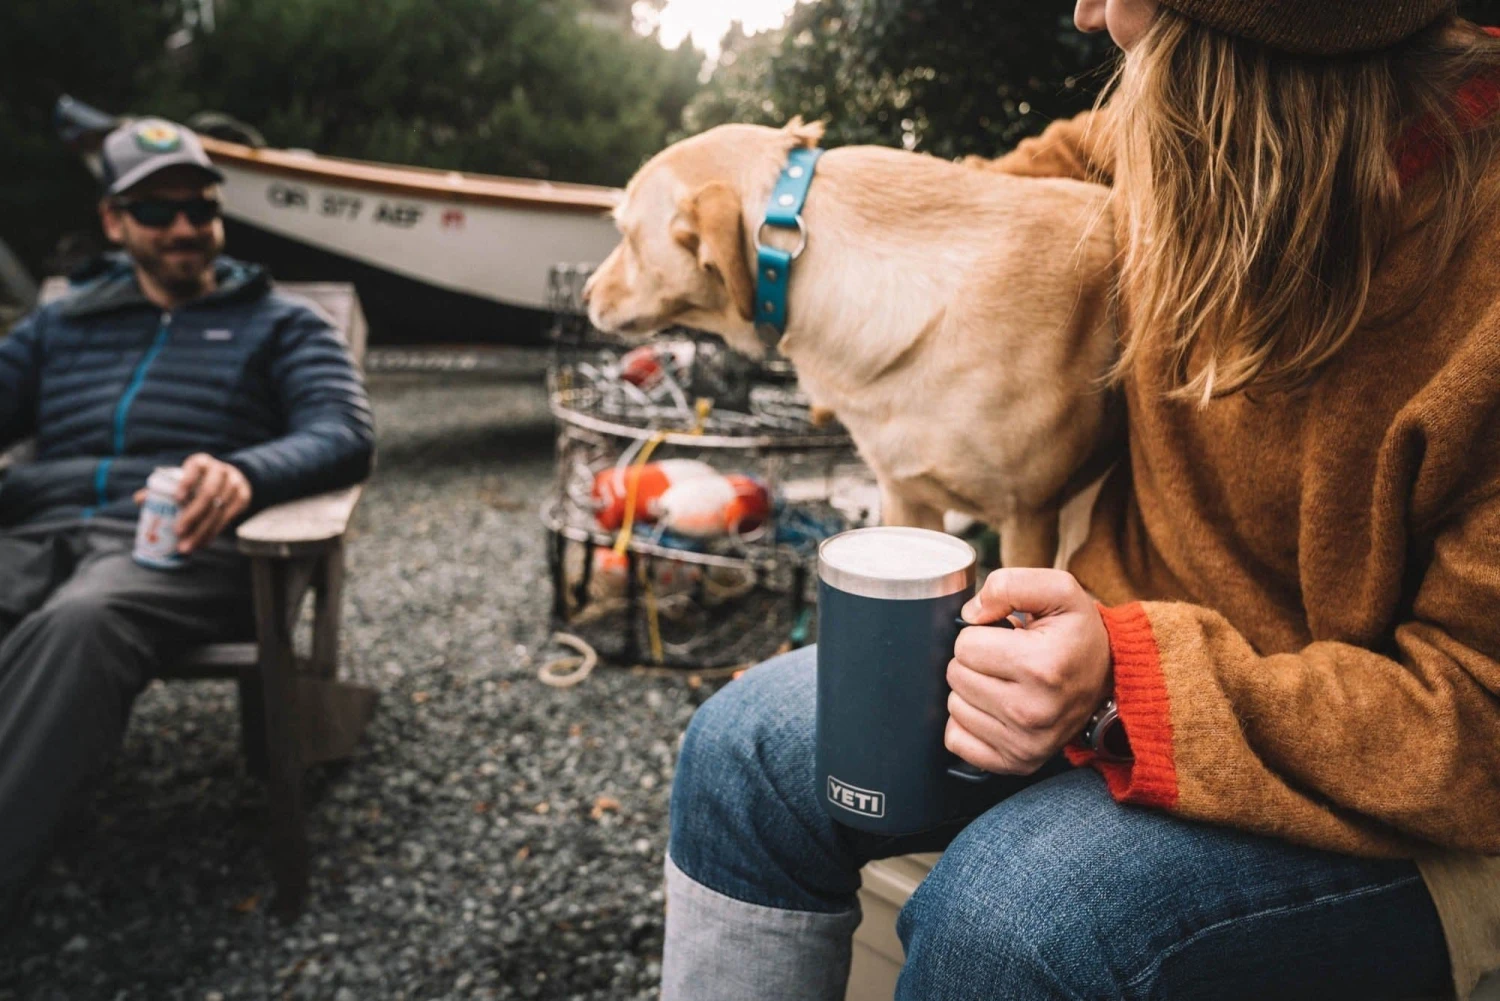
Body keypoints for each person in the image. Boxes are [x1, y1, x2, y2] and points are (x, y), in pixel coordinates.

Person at [661, 1, 1500, 999]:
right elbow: (1064, 160)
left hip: (1404, 812)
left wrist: (1131, 681)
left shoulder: (1474, 266)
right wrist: (868, 230)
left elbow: (1476, 721)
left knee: (1013, 918)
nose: (1086, 12)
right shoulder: (1194, 139)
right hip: (1110, 666)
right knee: (741, 752)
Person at [0, 118, 374, 921]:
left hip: (177, 541)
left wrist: (245, 471)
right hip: (35, 526)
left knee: (83, 621)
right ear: (113, 221)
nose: (182, 228)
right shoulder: (60, 325)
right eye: (156, 211)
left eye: (199, 209)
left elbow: (344, 431)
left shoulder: (280, 321)